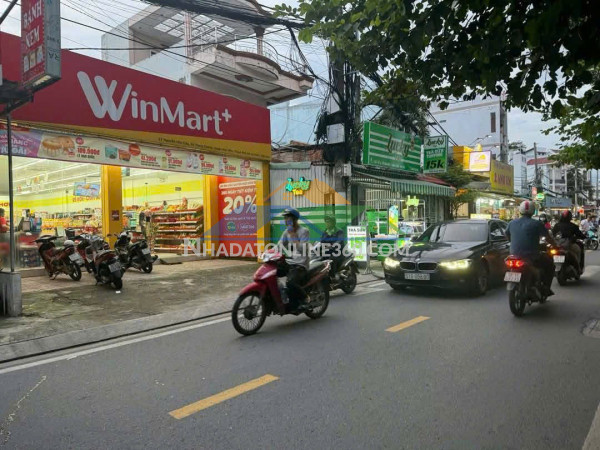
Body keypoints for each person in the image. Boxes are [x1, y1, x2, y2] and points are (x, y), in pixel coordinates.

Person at [506, 201, 556, 296]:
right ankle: (546, 288)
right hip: (531, 256)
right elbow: (548, 238)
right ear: (533, 211)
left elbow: (507, 234)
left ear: (520, 210)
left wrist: (512, 242)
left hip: (513, 255)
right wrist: (555, 245)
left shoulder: (511, 223)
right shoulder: (537, 224)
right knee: (550, 265)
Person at [277, 208, 310, 309]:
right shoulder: (286, 232)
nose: (286, 220)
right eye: (285, 218)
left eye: (288, 218)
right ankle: (281, 295)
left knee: (290, 283)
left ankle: (305, 298)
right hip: (290, 262)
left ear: (295, 219)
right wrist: (268, 253)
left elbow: (303, 249)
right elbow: (279, 245)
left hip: (300, 264)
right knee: (271, 272)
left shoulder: (304, 231)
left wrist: (293, 237)